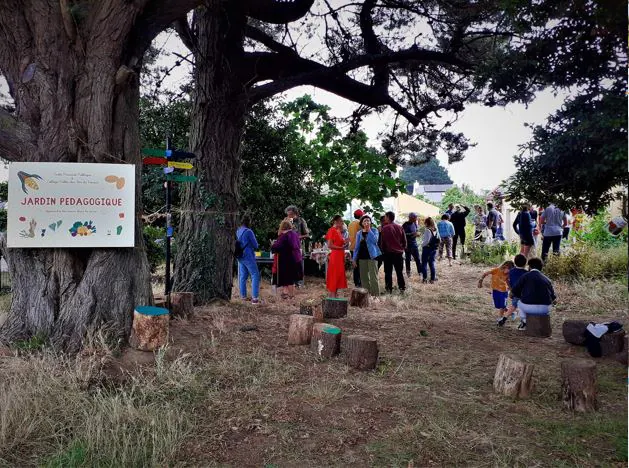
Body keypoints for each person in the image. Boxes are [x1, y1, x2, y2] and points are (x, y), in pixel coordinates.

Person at [510, 257, 556, 331]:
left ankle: (524, 321)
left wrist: (513, 295)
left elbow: (514, 291)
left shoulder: (525, 276)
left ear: (530, 267)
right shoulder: (547, 279)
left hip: (529, 308)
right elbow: (554, 298)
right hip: (545, 309)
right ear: (541, 267)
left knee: (518, 302)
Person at [271, 219, 303, 300]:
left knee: (288, 279)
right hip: (297, 258)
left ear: (282, 227)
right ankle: (286, 293)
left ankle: (291, 296)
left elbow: (277, 247)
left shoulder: (284, 236)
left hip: (288, 260)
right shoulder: (295, 234)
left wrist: (273, 245)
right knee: (290, 278)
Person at [352, 215, 381, 298]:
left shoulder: (374, 231)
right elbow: (356, 247)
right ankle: (366, 296)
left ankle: (375, 296)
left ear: (370, 222)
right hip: (362, 257)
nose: (366, 222)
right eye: (365, 221)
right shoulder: (359, 233)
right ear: (362, 223)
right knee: (364, 278)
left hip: (372, 256)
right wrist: (354, 259)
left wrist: (369, 231)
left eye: (368, 220)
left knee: (373, 277)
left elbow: (375, 241)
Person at [478, 260, 515, 326]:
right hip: (495, 290)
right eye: (508, 269)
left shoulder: (508, 274)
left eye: (511, 270)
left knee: (502, 305)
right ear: (504, 266)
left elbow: (507, 281)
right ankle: (511, 312)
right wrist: (480, 280)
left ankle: (501, 318)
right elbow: (485, 273)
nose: (509, 271)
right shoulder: (496, 270)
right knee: (498, 305)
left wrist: (511, 289)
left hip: (504, 291)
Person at [236, 215, 261, 304]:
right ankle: (255, 298)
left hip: (240, 256)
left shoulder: (238, 231)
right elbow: (256, 245)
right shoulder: (249, 231)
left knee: (242, 276)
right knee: (255, 275)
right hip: (248, 256)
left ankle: (243, 297)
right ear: (248, 222)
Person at [380, 211, 407, 293]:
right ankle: (402, 289)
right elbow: (404, 241)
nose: (384, 218)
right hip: (398, 253)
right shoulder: (400, 227)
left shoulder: (384, 228)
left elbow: (382, 243)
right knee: (399, 272)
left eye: (385, 217)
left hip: (388, 253)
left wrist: (383, 251)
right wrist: (402, 249)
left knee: (388, 272)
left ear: (388, 217)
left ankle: (388, 290)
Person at [285, 205, 310, 286]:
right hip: (287, 247)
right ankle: (289, 282)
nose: (289, 216)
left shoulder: (301, 221)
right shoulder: (285, 220)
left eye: (291, 214)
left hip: (298, 246)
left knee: (298, 265)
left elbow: (307, 235)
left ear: (296, 213)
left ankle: (299, 282)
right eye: (288, 214)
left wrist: (296, 237)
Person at [325, 215, 349, 297]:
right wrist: (340, 247)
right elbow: (329, 245)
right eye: (341, 221)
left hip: (340, 254)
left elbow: (339, 242)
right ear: (336, 222)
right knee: (334, 275)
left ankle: (334, 295)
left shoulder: (338, 230)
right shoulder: (331, 230)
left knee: (338, 275)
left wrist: (346, 242)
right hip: (335, 255)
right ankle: (332, 296)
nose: (342, 223)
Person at [507, 254, 528, 320]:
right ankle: (523, 320)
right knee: (524, 307)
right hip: (524, 293)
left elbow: (508, 280)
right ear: (525, 263)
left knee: (513, 306)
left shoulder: (511, 271)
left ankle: (505, 317)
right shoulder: (526, 273)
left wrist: (510, 289)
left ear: (515, 262)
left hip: (514, 292)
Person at [348, 209, 364, 287]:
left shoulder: (350, 223)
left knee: (355, 265)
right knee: (360, 266)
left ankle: (356, 283)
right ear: (360, 216)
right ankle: (359, 283)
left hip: (351, 247)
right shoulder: (359, 223)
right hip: (358, 247)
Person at [402, 212, 422, 277]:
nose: (416, 219)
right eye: (415, 217)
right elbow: (403, 234)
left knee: (418, 259)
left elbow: (416, 231)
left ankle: (420, 272)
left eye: (416, 217)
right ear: (410, 217)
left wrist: (417, 234)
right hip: (407, 244)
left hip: (414, 244)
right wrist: (412, 234)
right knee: (408, 259)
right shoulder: (405, 225)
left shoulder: (415, 224)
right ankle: (408, 273)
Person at [420, 217, 439, 283]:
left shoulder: (428, 230)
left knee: (424, 264)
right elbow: (439, 239)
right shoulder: (436, 229)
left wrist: (421, 245)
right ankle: (432, 279)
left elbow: (426, 241)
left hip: (427, 249)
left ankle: (424, 279)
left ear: (427, 223)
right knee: (432, 263)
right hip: (434, 249)